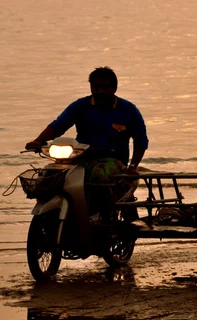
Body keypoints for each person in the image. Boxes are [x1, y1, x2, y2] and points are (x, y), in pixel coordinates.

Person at [25, 67, 148, 217]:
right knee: (51, 174)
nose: (100, 91)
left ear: (114, 88)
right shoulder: (80, 106)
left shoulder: (128, 109)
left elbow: (141, 140)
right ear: (91, 87)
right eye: (97, 87)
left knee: (99, 175)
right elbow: (58, 126)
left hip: (113, 160)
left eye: (105, 87)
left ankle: (101, 214)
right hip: (81, 157)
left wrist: (133, 167)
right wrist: (38, 141)